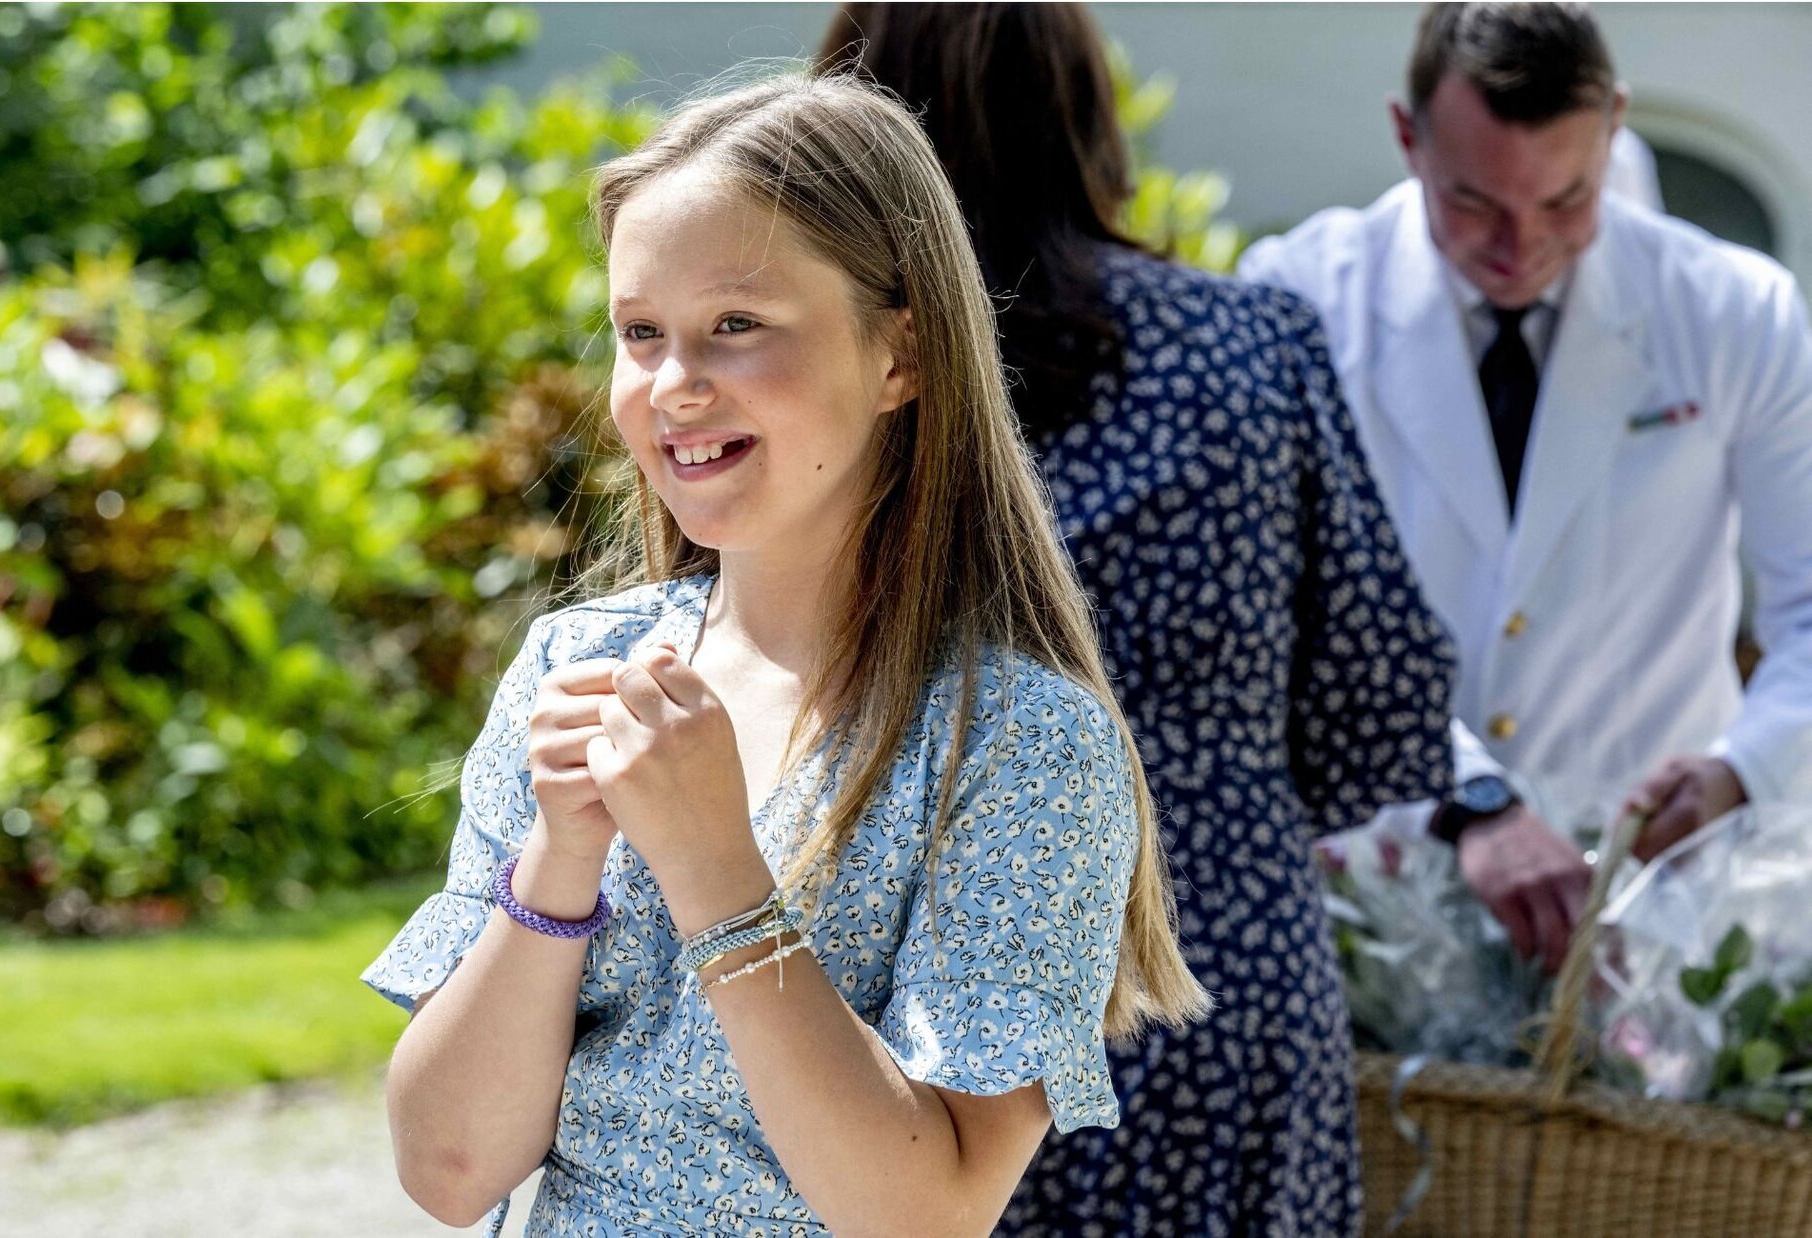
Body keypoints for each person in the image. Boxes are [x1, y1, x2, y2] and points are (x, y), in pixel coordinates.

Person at [360, 71, 1208, 1236]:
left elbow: (926, 1213)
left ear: (900, 355)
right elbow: (449, 1171)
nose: (673, 385)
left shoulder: (1017, 743)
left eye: (736, 326)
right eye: (639, 332)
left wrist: (717, 870)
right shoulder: (578, 664)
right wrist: (554, 868)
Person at [819, 6, 1457, 1234]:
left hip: (911, 981)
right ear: (1088, 115)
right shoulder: (1248, 342)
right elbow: (1383, 692)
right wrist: (1213, 786)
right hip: (1213, 958)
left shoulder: (846, 367)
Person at [1240, 2, 1812, 974]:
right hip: (1370, 906)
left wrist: (1739, 768)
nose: (1519, 247)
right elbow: (1267, 620)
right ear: (1404, 136)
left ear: (1613, 127)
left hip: (1644, 913)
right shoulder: (1294, 300)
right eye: (1472, 203)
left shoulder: (1732, 312)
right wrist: (1463, 793)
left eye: (1563, 200)